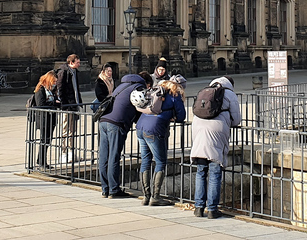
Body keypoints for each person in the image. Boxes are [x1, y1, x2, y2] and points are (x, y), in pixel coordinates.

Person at [190, 76, 241, 219]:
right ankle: (212, 209)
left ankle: (198, 208)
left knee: (200, 171)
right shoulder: (229, 94)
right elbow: (236, 120)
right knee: (214, 172)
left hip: (198, 129)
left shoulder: (204, 92)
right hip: (216, 132)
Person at [136, 75, 187, 205]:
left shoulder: (154, 92)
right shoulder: (174, 95)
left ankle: (146, 196)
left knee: (145, 161)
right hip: (155, 129)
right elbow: (181, 115)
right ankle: (155, 196)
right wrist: (173, 117)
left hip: (141, 126)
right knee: (160, 162)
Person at [97, 72, 147, 198]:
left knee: (104, 156)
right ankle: (114, 190)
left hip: (103, 120)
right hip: (116, 123)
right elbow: (139, 106)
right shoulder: (139, 87)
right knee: (114, 156)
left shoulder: (122, 85)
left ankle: (105, 189)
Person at [56, 54, 82, 163]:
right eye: (77, 62)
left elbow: (76, 89)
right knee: (65, 130)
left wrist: (78, 102)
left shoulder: (75, 72)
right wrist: (63, 103)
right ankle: (64, 152)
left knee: (73, 130)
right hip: (67, 106)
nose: (79, 64)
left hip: (73, 104)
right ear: (71, 62)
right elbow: (60, 88)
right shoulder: (64, 72)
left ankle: (71, 151)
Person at [33, 70, 58, 168]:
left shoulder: (51, 90)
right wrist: (54, 103)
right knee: (44, 140)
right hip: (43, 118)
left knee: (48, 140)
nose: (55, 84)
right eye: (54, 82)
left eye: (56, 82)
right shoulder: (41, 89)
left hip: (51, 118)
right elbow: (41, 104)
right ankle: (42, 162)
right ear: (49, 80)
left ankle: (41, 160)